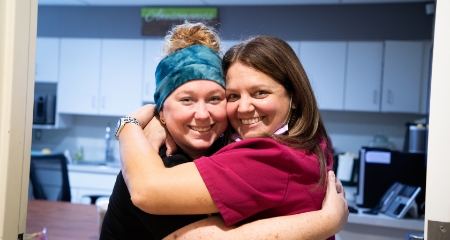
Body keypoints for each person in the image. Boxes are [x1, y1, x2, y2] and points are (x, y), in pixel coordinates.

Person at [117, 23, 345, 239]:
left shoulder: (269, 155)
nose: (244, 107)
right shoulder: (153, 162)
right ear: (162, 109)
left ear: (294, 98)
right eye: (234, 96)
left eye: (260, 93)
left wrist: (129, 124)